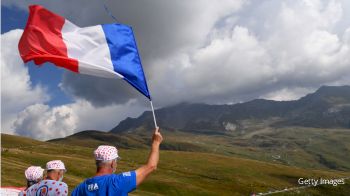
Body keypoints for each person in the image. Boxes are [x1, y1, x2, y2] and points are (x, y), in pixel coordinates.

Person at [72, 127, 163, 196]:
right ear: (112, 163)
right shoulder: (116, 182)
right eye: (116, 161)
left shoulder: (80, 188)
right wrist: (156, 142)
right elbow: (151, 166)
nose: (116, 164)